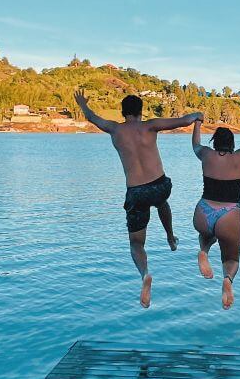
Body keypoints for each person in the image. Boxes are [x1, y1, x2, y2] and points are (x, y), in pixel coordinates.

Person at [74, 89, 202, 308]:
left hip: (136, 192)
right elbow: (183, 121)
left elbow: (91, 117)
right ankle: (171, 238)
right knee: (161, 200)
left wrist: (83, 104)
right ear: (141, 112)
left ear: (123, 112)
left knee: (136, 244)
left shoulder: (114, 129)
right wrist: (196, 115)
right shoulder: (150, 125)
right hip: (160, 185)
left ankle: (144, 274)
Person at [191, 116, 240, 310]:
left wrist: (197, 123)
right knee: (231, 259)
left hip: (203, 211)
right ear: (232, 143)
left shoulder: (206, 154)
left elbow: (196, 144)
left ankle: (203, 251)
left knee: (206, 234)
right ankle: (228, 280)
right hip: (229, 214)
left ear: (214, 143)